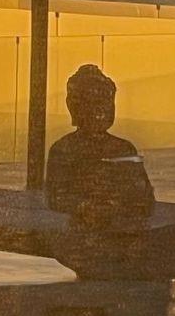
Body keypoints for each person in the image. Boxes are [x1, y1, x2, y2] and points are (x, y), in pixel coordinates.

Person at [45, 64, 154, 228]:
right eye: (92, 103)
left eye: (107, 103)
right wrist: (86, 205)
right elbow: (56, 198)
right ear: (74, 108)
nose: (101, 111)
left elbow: (144, 199)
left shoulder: (123, 149)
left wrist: (115, 203)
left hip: (123, 230)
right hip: (83, 231)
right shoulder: (64, 150)